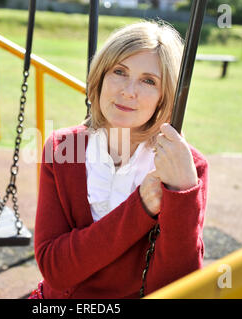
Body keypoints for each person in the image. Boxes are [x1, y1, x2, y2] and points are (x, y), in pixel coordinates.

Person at [29, 20, 208, 299]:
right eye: (119, 72)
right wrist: (141, 208)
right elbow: (55, 269)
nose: (128, 91)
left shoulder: (186, 167)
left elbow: (177, 286)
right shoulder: (64, 149)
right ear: (100, 77)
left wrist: (181, 194)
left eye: (149, 81)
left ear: (165, 95)